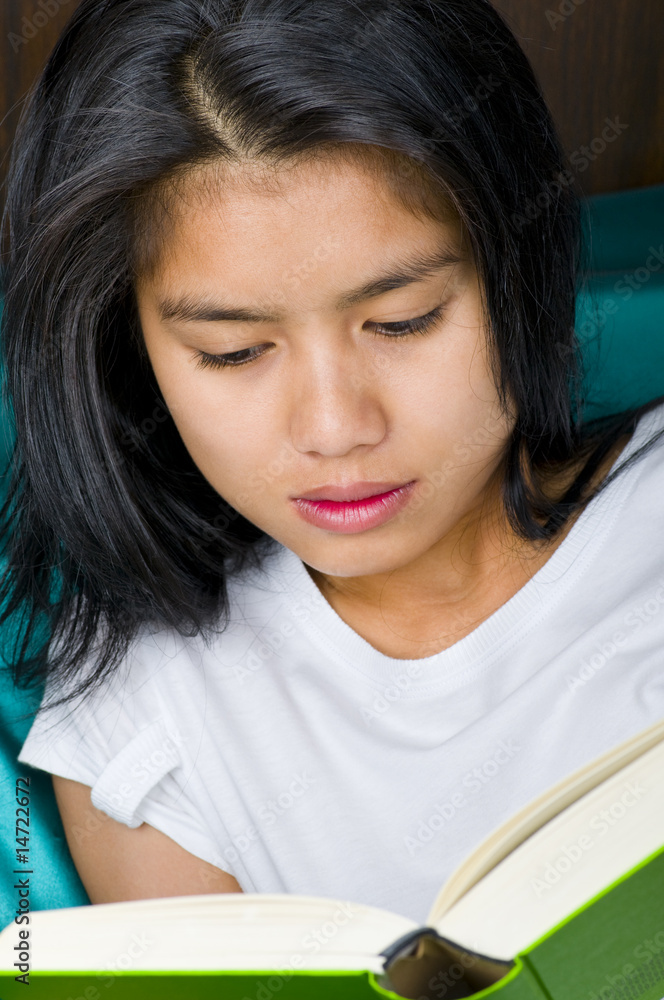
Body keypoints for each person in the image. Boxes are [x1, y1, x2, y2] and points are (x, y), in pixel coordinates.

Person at [2, 0, 663, 925]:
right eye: (234, 352)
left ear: (521, 268)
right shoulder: (146, 728)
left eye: (403, 322)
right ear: (131, 350)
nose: (335, 428)